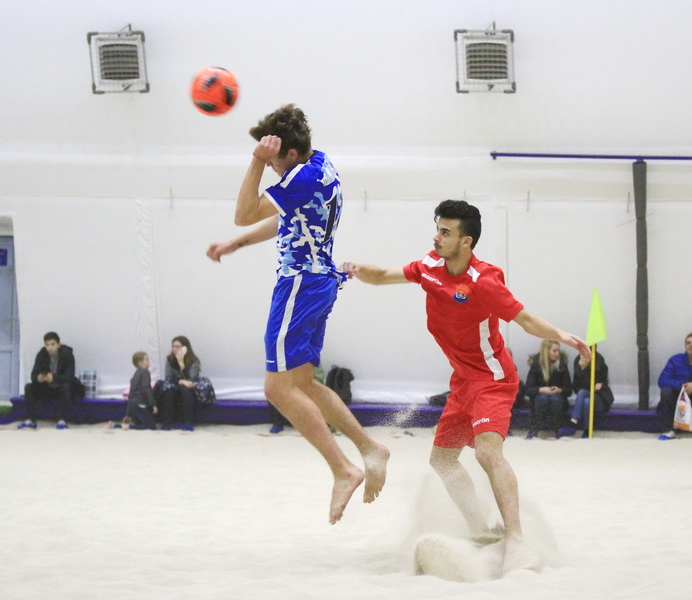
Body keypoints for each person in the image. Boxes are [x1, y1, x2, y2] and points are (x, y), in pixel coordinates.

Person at [340, 199, 591, 575]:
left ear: (466, 241)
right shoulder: (429, 267)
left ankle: (516, 538)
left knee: (488, 455)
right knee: (442, 460)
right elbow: (381, 276)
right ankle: (480, 527)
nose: (436, 238)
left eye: (445, 232)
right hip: (461, 382)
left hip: (492, 380)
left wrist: (563, 335)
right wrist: (354, 269)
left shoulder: (483, 282)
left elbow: (524, 320)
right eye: (437, 229)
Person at [205, 104, 389, 524]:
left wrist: (255, 161)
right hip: (320, 282)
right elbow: (284, 215)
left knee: (277, 389)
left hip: (299, 285)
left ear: (288, 153)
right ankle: (370, 448)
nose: (270, 168)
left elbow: (244, 212)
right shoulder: (320, 165)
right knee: (302, 383)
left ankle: (343, 469)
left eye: (273, 161)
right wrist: (237, 244)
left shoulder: (299, 177)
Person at [18, 332, 82, 430]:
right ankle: (31, 420)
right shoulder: (41, 355)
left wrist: (54, 378)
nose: (50, 348)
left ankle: (62, 420)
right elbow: (33, 375)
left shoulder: (67, 355)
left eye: (52, 344)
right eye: (47, 345)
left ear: (58, 344)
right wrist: (38, 378)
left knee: (66, 387)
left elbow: (69, 376)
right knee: (29, 387)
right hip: (47, 388)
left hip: (62, 390)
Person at [157, 336, 213, 432]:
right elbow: (168, 377)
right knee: (168, 389)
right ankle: (168, 422)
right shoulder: (170, 359)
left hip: (189, 385)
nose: (175, 349)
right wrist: (181, 381)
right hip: (176, 383)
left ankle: (188, 422)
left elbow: (191, 379)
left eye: (177, 346)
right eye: (173, 346)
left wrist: (182, 364)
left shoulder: (194, 360)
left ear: (185, 348)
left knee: (185, 389)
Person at [558, 349, 615, 438]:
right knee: (586, 401)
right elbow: (576, 388)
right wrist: (582, 369)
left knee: (583, 393)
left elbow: (597, 387)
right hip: (587, 398)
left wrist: (585, 369)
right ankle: (587, 431)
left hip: (601, 399)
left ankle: (573, 423)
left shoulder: (599, 362)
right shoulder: (578, 362)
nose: (582, 356)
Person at [523, 340, 572, 439]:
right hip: (538, 399)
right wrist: (541, 390)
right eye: (554, 351)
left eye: (558, 351)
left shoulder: (562, 365)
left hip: (559, 399)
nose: (557, 354)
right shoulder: (536, 365)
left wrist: (559, 390)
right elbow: (528, 389)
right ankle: (534, 430)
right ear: (546, 351)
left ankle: (558, 429)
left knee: (555, 399)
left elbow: (569, 390)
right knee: (542, 398)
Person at [128, 351, 157, 430]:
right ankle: (126, 427)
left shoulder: (136, 374)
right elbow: (146, 388)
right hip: (140, 404)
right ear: (140, 362)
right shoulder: (145, 372)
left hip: (133, 404)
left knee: (140, 424)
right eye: (146, 360)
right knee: (151, 427)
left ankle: (118, 426)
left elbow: (131, 393)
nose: (148, 362)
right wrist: (153, 404)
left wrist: (128, 413)